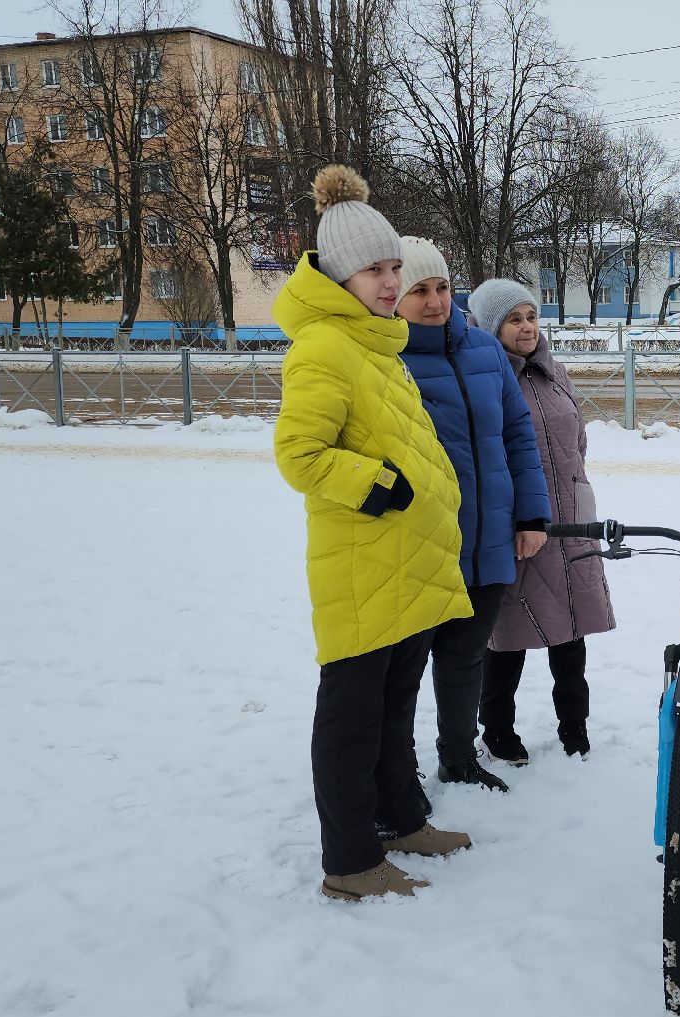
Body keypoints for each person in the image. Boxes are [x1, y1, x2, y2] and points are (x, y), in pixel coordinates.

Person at [273, 165, 476, 903]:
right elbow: (301, 454)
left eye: (396, 267)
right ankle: (352, 862)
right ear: (337, 274)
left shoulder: (374, 344)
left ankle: (402, 818)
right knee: (353, 718)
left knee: (394, 706)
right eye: (376, 270)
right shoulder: (324, 347)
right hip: (363, 563)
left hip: (404, 563)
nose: (392, 282)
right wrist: (377, 487)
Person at [396, 241, 551, 792]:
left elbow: (518, 437)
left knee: (465, 660)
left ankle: (458, 756)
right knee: (406, 667)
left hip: (489, 535)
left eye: (441, 287)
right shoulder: (387, 359)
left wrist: (532, 515)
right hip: (423, 542)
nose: (435, 302)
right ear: (395, 298)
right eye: (419, 291)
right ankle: (397, 766)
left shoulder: (485, 351)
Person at [467, 280, 616, 761]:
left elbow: (577, 442)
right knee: (507, 634)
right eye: (514, 319)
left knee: (571, 627)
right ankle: (497, 729)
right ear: (492, 327)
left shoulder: (555, 373)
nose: (527, 327)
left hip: (569, 517)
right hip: (517, 523)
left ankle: (574, 725)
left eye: (531, 316)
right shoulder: (486, 378)